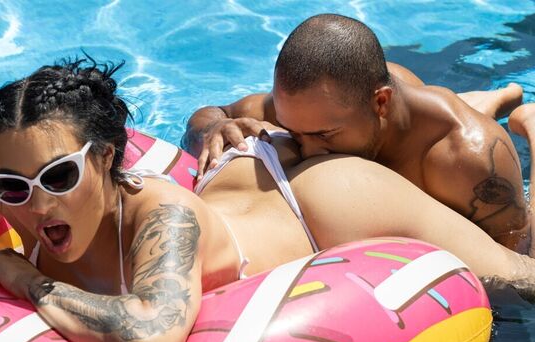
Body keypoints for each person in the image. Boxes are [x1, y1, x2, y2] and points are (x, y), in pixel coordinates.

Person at [0, 58, 535, 342]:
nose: (38, 203)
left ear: (105, 158)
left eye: (59, 176)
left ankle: (516, 118)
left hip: (324, 203)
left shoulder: (163, 215)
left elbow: (151, 340)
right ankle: (490, 100)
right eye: (10, 184)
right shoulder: (24, 189)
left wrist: (23, 278)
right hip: (236, 174)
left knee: (520, 275)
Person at [183, 13, 531, 254]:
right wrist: (214, 129)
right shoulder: (311, 109)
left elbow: (518, 257)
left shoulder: (468, 158)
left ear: (381, 102)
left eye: (325, 135)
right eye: (294, 133)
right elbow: (211, 114)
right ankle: (490, 99)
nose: (307, 152)